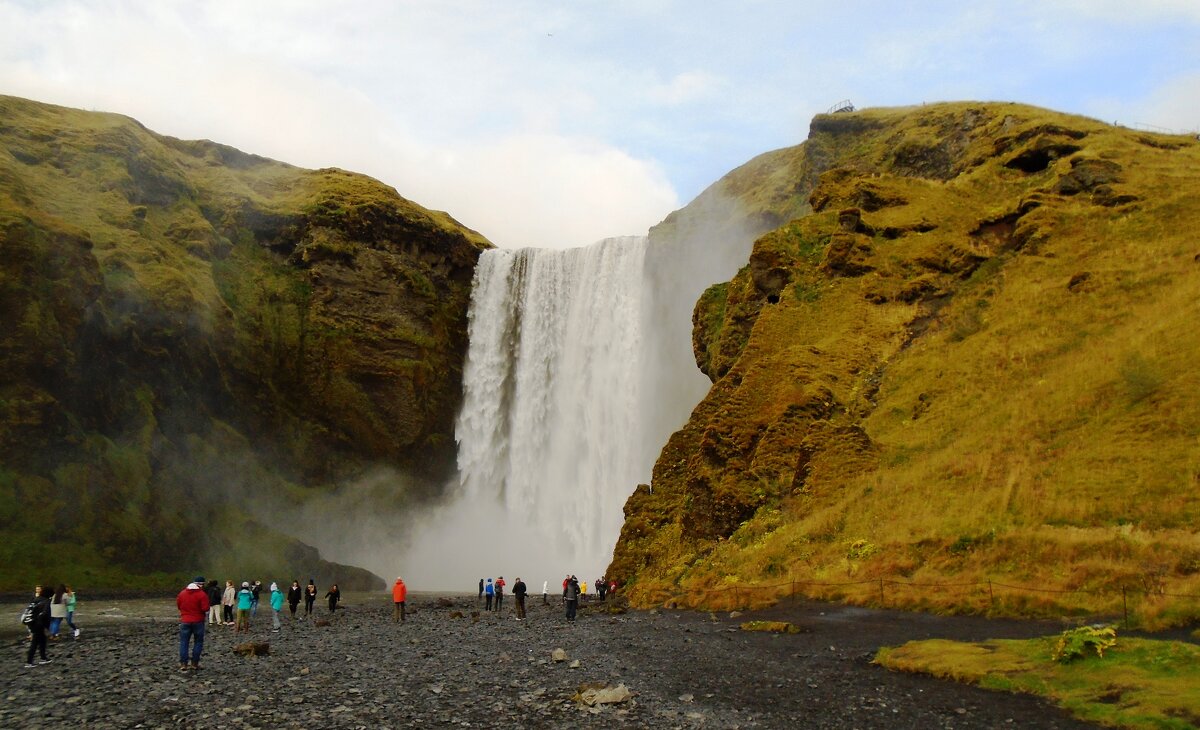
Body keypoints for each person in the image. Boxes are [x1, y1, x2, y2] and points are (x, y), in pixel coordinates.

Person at [177, 575, 210, 670]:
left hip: (185, 621)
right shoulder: (202, 594)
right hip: (198, 621)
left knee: (184, 642)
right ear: (201, 585)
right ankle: (194, 663)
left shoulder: (182, 593)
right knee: (198, 642)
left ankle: (183, 664)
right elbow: (205, 608)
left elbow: (179, 605)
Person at [23, 584, 52, 668]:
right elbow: (45, 615)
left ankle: (43, 658)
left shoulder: (36, 599)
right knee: (35, 643)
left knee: (42, 640)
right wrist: (48, 627)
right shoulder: (46, 601)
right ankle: (29, 662)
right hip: (38, 624)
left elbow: (29, 610)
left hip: (31, 622)